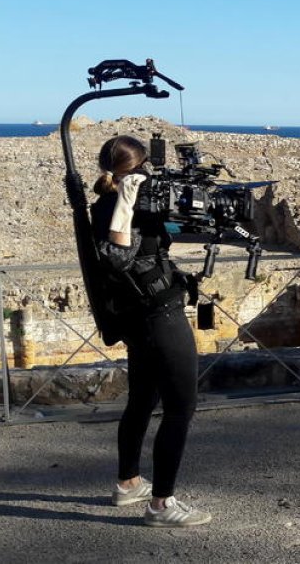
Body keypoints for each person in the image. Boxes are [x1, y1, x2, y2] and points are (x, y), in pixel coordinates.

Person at [90, 135, 211, 527]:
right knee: (180, 409)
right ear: (131, 170)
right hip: (158, 318)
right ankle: (162, 504)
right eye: (142, 168)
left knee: (142, 400)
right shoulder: (115, 205)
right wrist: (126, 202)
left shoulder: (128, 202)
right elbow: (118, 258)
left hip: (143, 316)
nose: (147, 175)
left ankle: (128, 483)